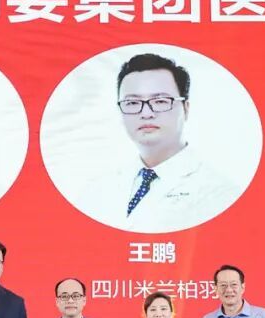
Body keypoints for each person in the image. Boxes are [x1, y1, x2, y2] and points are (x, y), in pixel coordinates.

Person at [80, 53, 243, 233]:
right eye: (132, 102)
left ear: (186, 109)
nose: (146, 113)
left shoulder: (222, 194)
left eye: (160, 101)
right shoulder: (97, 189)